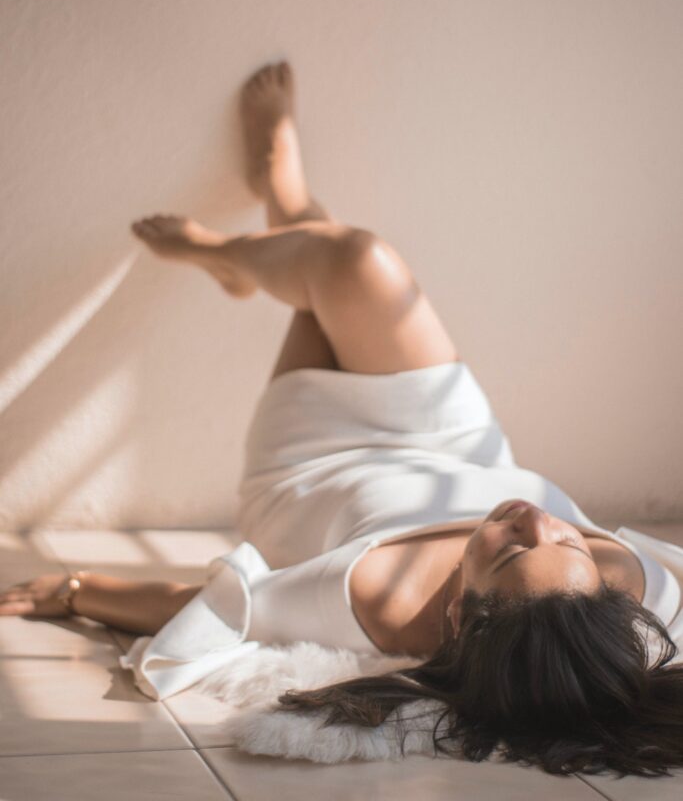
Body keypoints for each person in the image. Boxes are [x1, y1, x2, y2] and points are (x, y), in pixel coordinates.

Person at [2, 61, 682, 776]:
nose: (538, 521)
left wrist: (72, 589)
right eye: (570, 545)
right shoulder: (638, 593)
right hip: (454, 439)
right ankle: (258, 230)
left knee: (335, 267)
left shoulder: (363, 598)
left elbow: (209, 605)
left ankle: (262, 222)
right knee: (353, 264)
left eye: (512, 550)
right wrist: (545, 556)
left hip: (315, 462)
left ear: (457, 618)